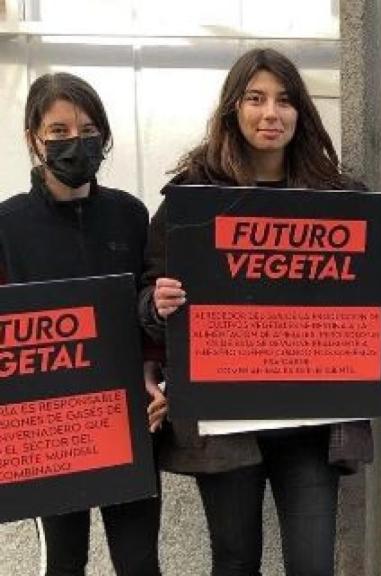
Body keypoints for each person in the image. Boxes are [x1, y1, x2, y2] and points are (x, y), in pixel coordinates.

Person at [137, 47, 381, 576]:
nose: (271, 113)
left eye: (285, 100)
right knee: (235, 561)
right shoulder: (191, 198)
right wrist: (157, 305)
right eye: (256, 99)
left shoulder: (340, 198)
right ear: (233, 109)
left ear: (301, 113)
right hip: (223, 420)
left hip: (312, 422)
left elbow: (372, 295)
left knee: (313, 565)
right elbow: (149, 295)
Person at [0, 72, 166, 575]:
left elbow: (148, 310)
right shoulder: (7, 225)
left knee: (139, 563)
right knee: (64, 564)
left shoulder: (131, 215)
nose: (76, 142)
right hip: (50, 433)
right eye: (59, 131)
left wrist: (155, 378)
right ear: (34, 138)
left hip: (132, 421)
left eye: (89, 129)